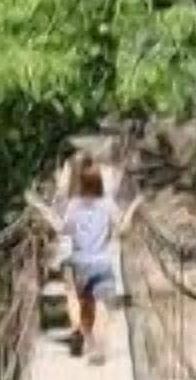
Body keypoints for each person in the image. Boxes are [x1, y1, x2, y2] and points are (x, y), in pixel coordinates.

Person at [54, 155, 139, 362]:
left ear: (81, 183)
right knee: (102, 307)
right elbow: (123, 230)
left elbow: (64, 229)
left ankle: (89, 342)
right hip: (102, 262)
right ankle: (99, 349)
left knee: (86, 307)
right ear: (100, 182)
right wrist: (134, 208)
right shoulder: (108, 204)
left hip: (80, 263)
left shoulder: (73, 205)